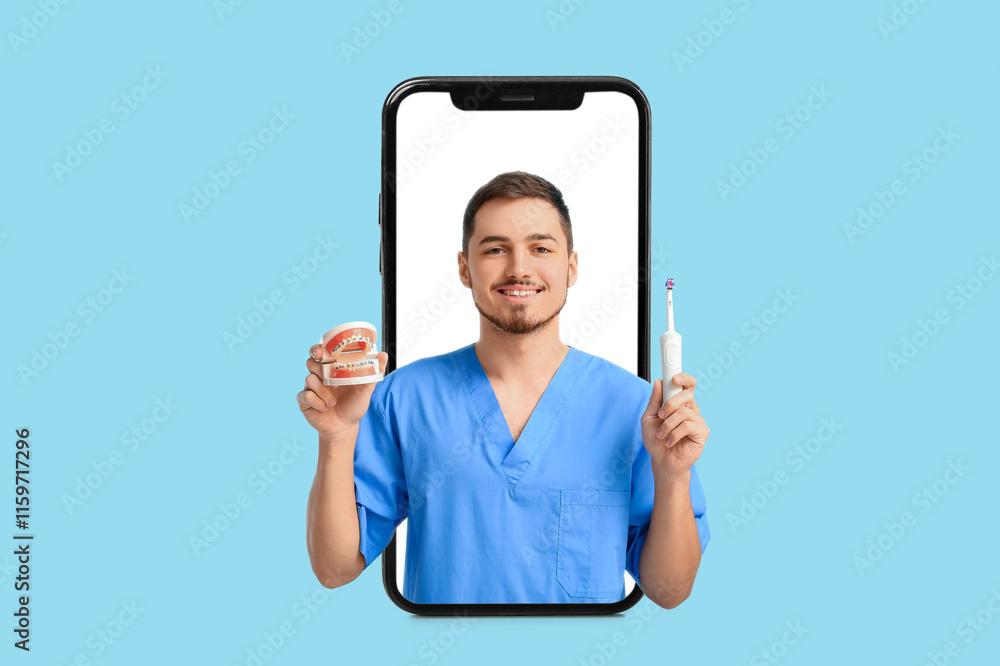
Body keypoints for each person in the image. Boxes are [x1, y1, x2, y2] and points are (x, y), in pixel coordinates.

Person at [298, 171, 711, 606]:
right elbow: (334, 568)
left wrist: (672, 473)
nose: (519, 269)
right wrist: (337, 436)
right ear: (464, 268)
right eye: (496, 249)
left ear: (571, 267)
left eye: (541, 248)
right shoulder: (403, 399)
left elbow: (669, 591)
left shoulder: (636, 408)